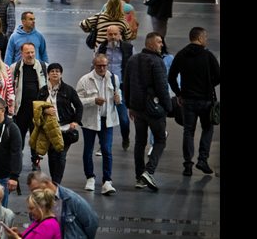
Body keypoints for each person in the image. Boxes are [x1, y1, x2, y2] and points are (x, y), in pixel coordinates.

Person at [123, 32, 173, 191]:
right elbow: (162, 88)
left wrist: (129, 105)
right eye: (159, 42)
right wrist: (169, 107)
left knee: (139, 142)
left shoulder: (132, 59)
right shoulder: (157, 61)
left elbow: (126, 85)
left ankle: (139, 177)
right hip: (154, 110)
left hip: (138, 110)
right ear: (151, 44)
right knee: (160, 139)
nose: (162, 45)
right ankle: (149, 172)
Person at [168, 27, 221, 176]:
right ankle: (202, 159)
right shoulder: (208, 56)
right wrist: (209, 86)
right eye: (205, 37)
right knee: (207, 129)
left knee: (188, 131)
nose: (206, 40)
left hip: (187, 100)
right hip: (205, 100)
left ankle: (188, 165)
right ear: (200, 38)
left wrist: (178, 94)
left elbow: (171, 77)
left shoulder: (181, 54)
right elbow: (218, 77)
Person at [77, 54, 121, 196]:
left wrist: (118, 99)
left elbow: (118, 93)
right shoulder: (84, 80)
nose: (102, 68)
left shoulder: (114, 78)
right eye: (99, 66)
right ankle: (90, 177)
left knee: (107, 150)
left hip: (107, 120)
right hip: (89, 121)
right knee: (88, 150)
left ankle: (107, 181)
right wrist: (93, 101)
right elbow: (77, 101)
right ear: (94, 65)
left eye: (104, 66)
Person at [36, 63, 82, 185]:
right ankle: (54, 181)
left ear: (61, 74)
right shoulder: (43, 91)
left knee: (61, 155)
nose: (55, 73)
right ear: (48, 74)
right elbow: (36, 107)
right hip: (49, 129)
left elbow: (79, 106)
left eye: (57, 71)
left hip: (65, 128)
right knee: (52, 156)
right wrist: (45, 110)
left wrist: (75, 121)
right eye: (52, 71)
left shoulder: (68, 90)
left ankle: (56, 184)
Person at [94, 25, 137, 151]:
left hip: (121, 87)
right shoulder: (101, 48)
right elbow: (93, 65)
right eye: (110, 34)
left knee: (123, 118)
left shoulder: (129, 48)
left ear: (120, 35)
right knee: (104, 116)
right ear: (106, 35)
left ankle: (125, 137)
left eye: (115, 34)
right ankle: (104, 144)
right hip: (104, 86)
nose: (113, 37)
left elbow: (135, 67)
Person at [9, 43, 48, 171]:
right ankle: (16, 161)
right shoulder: (15, 68)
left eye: (32, 52)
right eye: (27, 53)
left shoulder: (43, 67)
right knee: (18, 136)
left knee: (36, 137)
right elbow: (9, 88)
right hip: (21, 109)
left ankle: (36, 162)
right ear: (21, 53)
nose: (30, 55)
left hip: (37, 110)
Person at [26, 172, 99, 239]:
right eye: (32, 191)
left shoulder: (72, 199)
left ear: (46, 183)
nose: (34, 193)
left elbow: (92, 222)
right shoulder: (37, 203)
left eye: (36, 189)